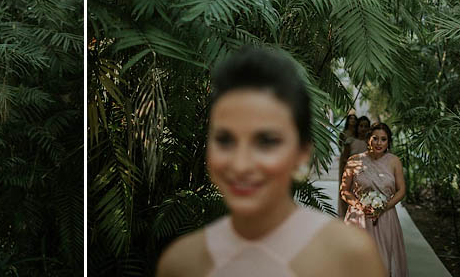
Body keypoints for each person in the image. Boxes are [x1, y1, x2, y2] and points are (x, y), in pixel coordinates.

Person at [157, 47, 385, 277]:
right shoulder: (181, 263)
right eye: (225, 140)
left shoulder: (351, 257)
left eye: (266, 142)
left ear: (302, 152)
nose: (241, 164)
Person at [340, 123, 407, 277]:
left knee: (383, 261)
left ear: (388, 142)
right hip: (358, 218)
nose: (378, 143)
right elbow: (344, 190)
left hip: (386, 217)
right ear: (368, 139)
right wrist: (359, 206)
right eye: (375, 138)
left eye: (383, 139)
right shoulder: (354, 160)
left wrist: (384, 207)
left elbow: (401, 190)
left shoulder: (394, 161)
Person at [336, 114, 358, 218]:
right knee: (344, 185)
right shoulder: (343, 133)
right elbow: (340, 145)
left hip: (357, 161)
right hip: (345, 160)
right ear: (348, 120)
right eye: (351, 119)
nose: (352, 121)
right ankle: (343, 212)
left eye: (354, 119)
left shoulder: (357, 133)